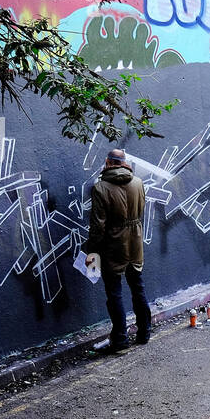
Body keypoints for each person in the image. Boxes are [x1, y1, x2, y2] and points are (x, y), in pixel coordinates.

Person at [84, 149, 152, 352]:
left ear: (107, 163)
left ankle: (121, 340)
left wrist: (92, 250)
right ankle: (144, 333)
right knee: (137, 287)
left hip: (113, 245)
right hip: (135, 242)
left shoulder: (100, 188)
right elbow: (140, 211)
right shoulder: (138, 183)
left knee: (114, 293)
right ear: (124, 163)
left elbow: (98, 226)